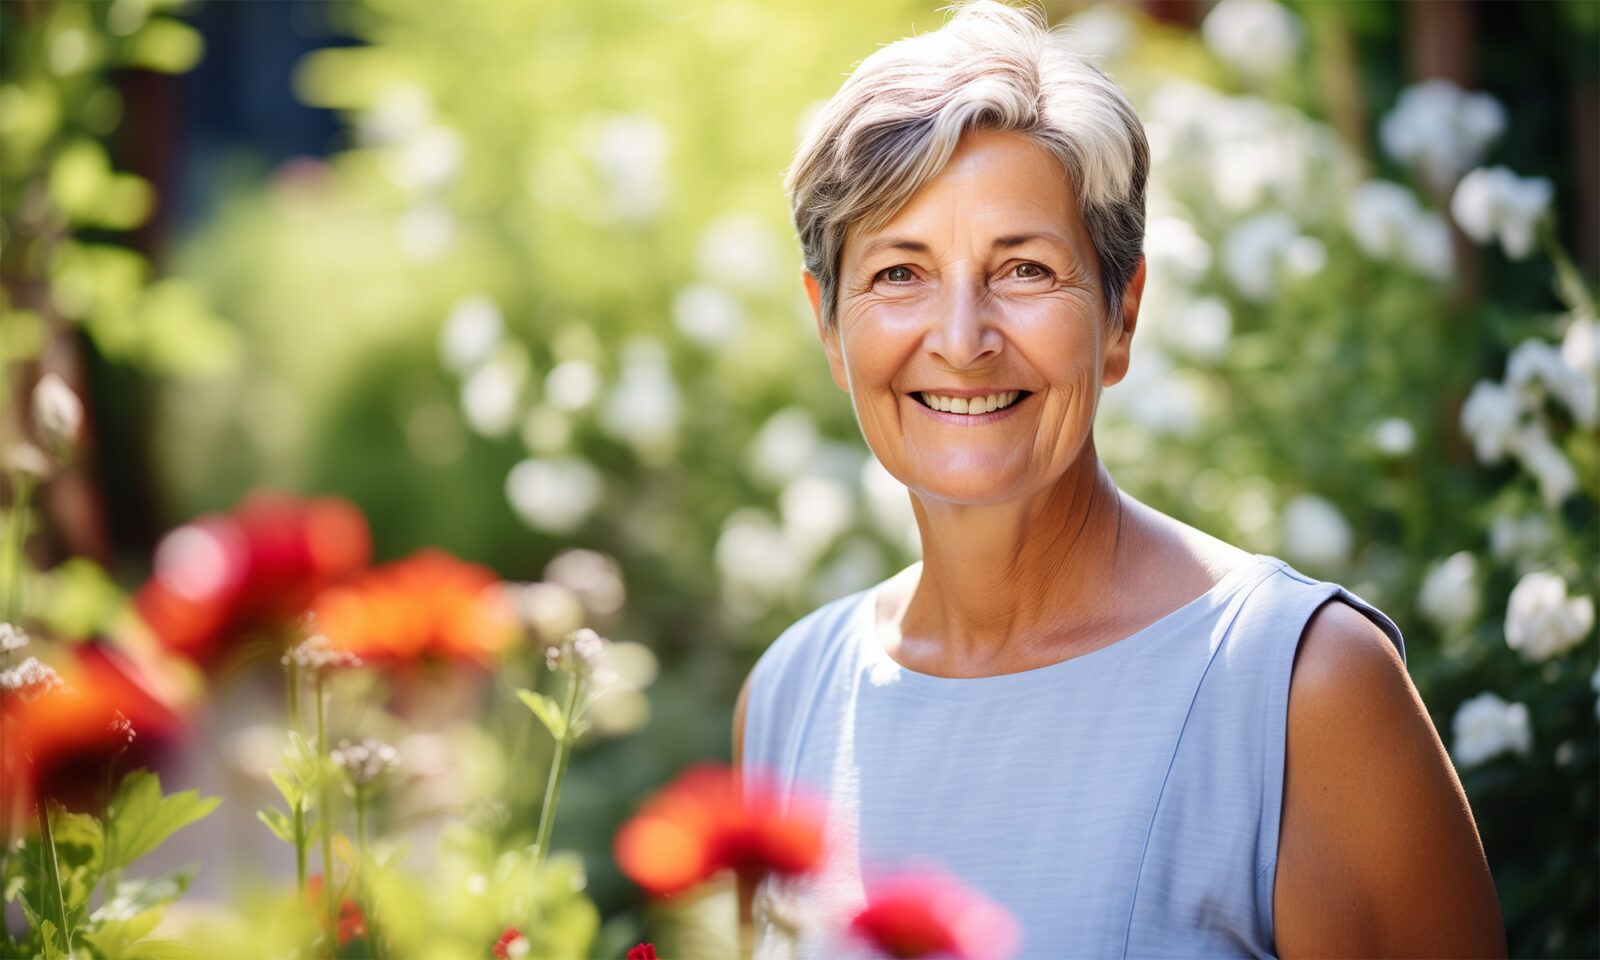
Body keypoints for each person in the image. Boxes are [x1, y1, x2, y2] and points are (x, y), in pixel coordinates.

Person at [732, 2, 1507, 958]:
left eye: (1023, 268)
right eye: (900, 274)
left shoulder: (1301, 686)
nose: (964, 340)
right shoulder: (789, 697)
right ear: (828, 324)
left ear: (1121, 314)